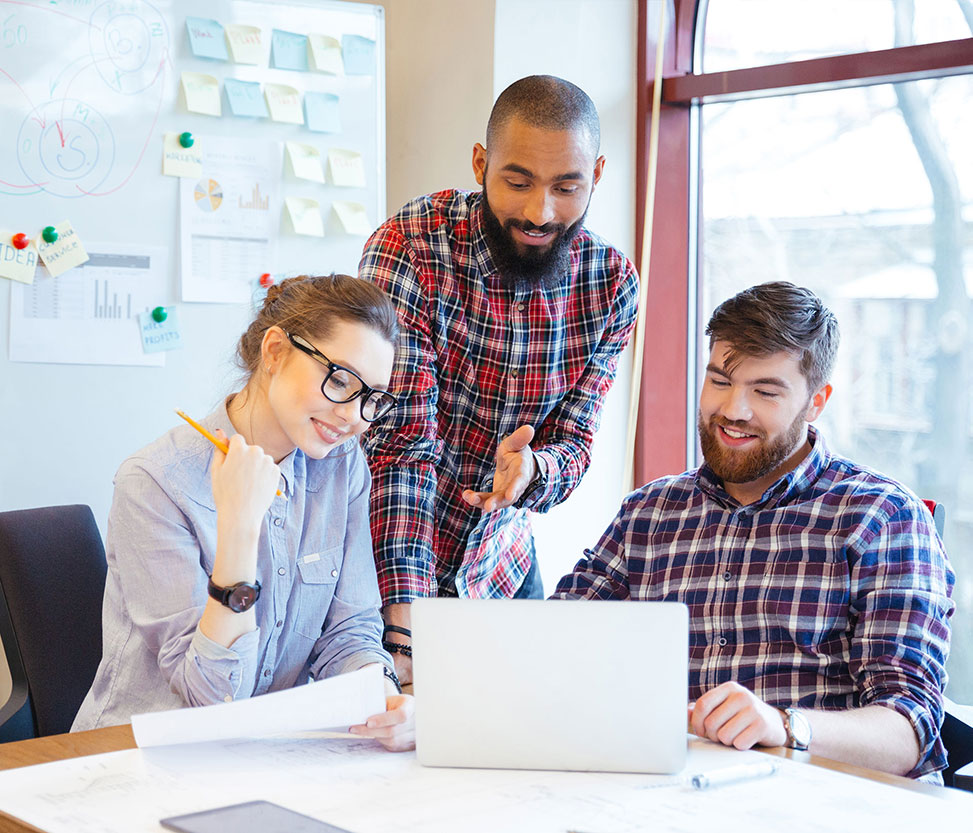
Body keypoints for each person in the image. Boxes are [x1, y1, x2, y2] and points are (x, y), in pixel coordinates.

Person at [552, 281, 954, 779]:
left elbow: (909, 733)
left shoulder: (881, 517)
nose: (733, 410)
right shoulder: (649, 513)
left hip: (819, 805)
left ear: (816, 402)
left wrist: (782, 727)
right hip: (666, 794)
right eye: (720, 380)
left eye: (765, 392)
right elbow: (551, 646)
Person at [359, 75, 639, 684]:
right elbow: (400, 443)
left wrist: (537, 471)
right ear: (482, 164)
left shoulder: (611, 284)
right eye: (517, 182)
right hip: (383, 560)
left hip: (501, 568)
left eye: (567, 187)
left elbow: (576, 443)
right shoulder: (412, 245)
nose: (541, 212)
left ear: (597, 174)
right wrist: (405, 625)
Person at [73, 274, 414, 751]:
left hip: (264, 754)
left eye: (371, 397)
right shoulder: (154, 482)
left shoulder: (341, 466)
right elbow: (212, 697)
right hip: (136, 758)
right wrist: (238, 526)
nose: (354, 416)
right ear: (275, 353)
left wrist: (382, 695)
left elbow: (349, 629)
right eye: (340, 380)